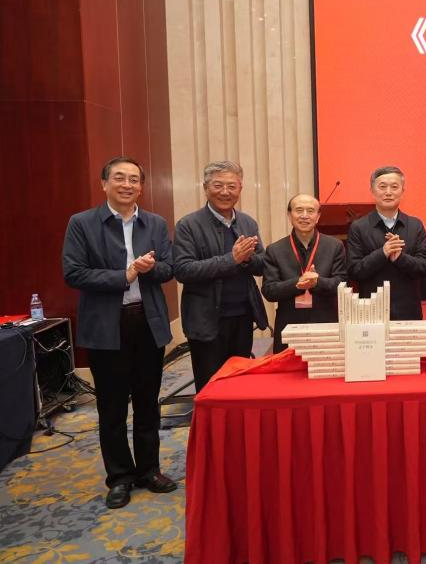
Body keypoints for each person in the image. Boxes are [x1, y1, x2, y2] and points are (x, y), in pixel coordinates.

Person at [62, 157, 177, 509]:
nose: (127, 184)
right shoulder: (82, 223)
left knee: (147, 403)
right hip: (106, 326)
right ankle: (120, 477)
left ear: (141, 187)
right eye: (119, 178)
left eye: (134, 179)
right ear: (104, 184)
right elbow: (73, 272)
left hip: (147, 322)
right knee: (111, 407)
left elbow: (170, 268)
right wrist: (124, 275)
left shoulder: (154, 223)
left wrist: (151, 268)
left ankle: (149, 470)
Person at [173, 161, 268, 392]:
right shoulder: (188, 225)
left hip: (242, 316)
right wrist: (231, 259)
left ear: (240, 189)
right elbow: (184, 270)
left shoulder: (247, 222)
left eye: (232, 186)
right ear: (206, 188)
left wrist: (247, 259)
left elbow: (262, 264)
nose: (225, 192)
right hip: (206, 320)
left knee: (239, 383)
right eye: (218, 185)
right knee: (211, 387)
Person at [262, 194, 346, 351]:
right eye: (299, 210)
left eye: (310, 211)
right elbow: (269, 291)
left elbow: (342, 283)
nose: (305, 216)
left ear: (318, 216)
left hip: (326, 324)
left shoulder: (334, 246)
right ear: (289, 215)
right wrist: (297, 283)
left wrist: (318, 282)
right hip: (289, 326)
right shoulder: (275, 250)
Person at [347, 166, 426, 320]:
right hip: (371, 312)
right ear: (372, 191)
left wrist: (401, 258)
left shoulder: (415, 225)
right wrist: (382, 253)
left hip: (408, 312)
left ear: (402, 191)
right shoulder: (358, 227)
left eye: (394, 187)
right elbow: (354, 271)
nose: (388, 192)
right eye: (382, 187)